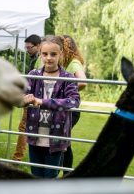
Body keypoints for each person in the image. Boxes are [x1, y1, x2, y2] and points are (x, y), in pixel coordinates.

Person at [23, 36, 80, 178]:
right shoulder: (33, 75)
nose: (49, 58)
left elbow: (74, 101)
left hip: (56, 137)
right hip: (35, 135)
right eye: (45, 54)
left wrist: (43, 102)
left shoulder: (67, 78)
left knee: (50, 177)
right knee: (35, 177)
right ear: (40, 54)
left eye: (53, 54)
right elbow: (18, 98)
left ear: (61, 53)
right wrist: (24, 100)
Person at [59, 35, 87, 176]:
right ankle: (65, 173)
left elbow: (82, 82)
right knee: (62, 140)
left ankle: (66, 173)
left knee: (63, 141)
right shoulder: (64, 63)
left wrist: (68, 91)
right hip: (63, 108)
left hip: (70, 109)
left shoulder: (74, 62)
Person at [12, 34, 41, 161]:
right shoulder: (34, 59)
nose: (27, 50)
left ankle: (17, 158)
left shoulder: (39, 60)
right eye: (26, 47)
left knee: (23, 127)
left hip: (33, 98)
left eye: (29, 48)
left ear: (38, 46)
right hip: (33, 97)